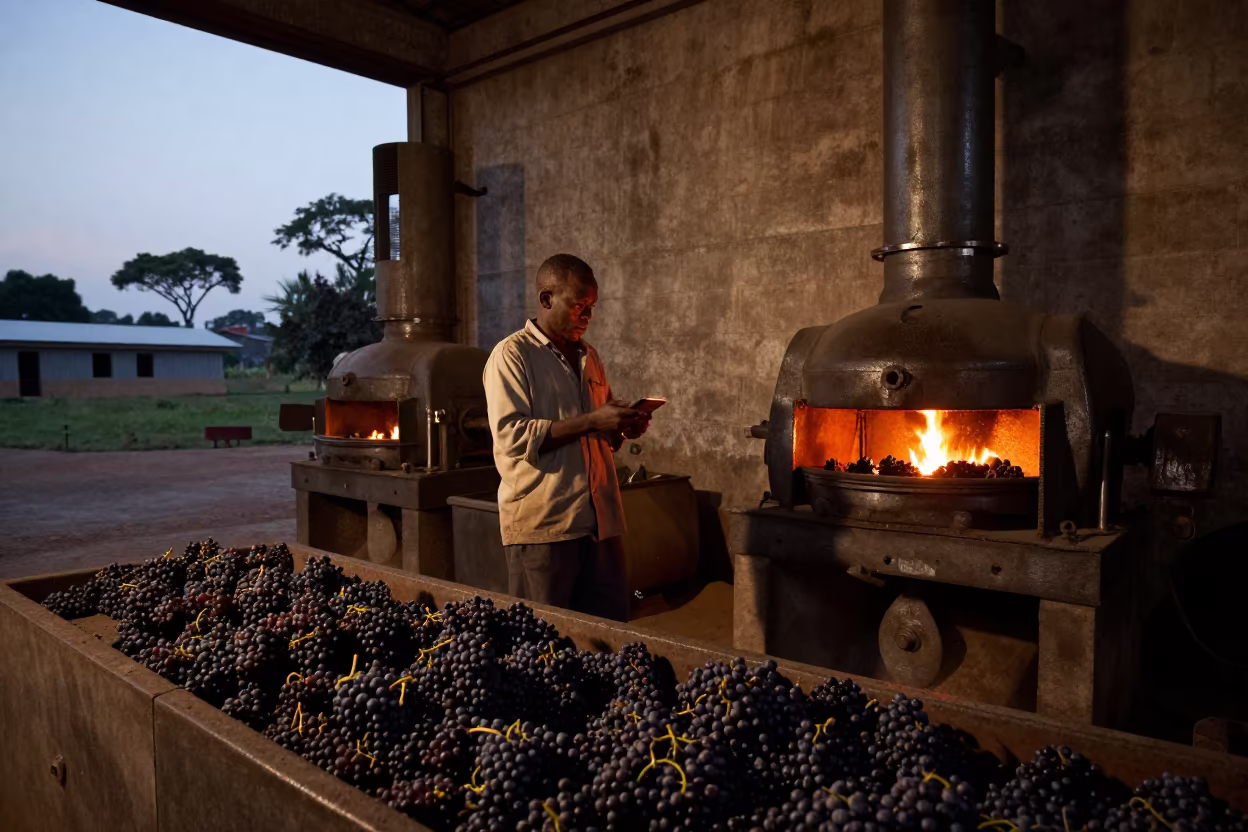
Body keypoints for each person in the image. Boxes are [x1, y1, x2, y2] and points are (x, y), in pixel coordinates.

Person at [482, 254, 649, 621]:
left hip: (600, 522)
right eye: (578, 306)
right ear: (546, 299)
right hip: (546, 526)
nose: (587, 317)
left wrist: (619, 427)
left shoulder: (590, 357)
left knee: (607, 636)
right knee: (545, 641)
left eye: (591, 307)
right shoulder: (512, 356)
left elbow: (599, 431)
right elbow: (512, 436)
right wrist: (592, 420)